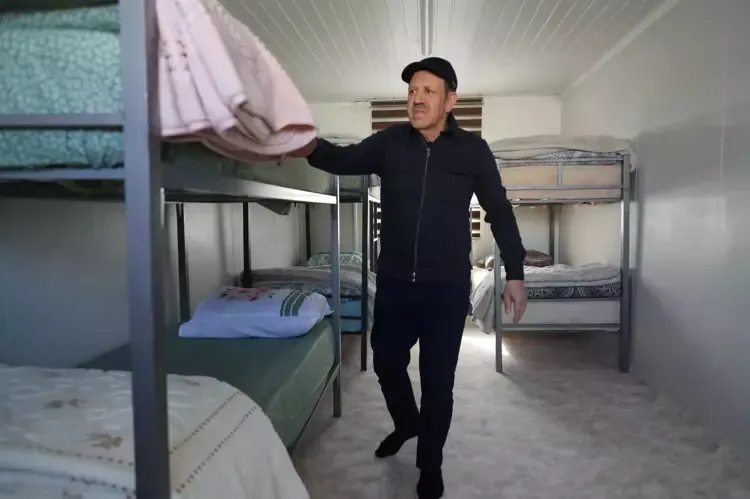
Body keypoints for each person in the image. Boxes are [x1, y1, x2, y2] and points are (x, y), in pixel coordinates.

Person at [291, 57, 527, 499]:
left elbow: (499, 211)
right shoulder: (391, 142)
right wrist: (304, 142)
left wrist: (515, 272)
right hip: (396, 283)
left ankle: (430, 465)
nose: (416, 99)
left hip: (446, 289)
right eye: (412, 91)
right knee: (385, 362)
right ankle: (407, 423)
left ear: (450, 100)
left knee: (439, 383)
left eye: (427, 91)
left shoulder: (473, 150)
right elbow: (341, 159)